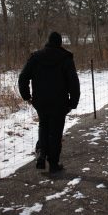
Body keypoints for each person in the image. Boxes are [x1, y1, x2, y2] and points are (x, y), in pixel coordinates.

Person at [18, 32, 80, 173]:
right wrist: (73, 102)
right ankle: (53, 164)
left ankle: (41, 154)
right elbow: (73, 82)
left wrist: (26, 96)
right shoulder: (66, 58)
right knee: (56, 131)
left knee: (43, 125)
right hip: (60, 102)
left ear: (48, 41)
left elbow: (23, 77)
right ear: (60, 43)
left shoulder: (36, 57)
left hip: (40, 101)